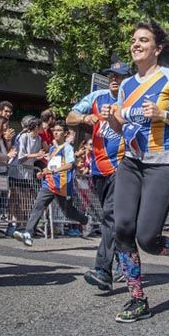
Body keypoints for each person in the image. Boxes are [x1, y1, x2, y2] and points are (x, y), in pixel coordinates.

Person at [102, 21, 169, 323]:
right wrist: (112, 119)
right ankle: (137, 298)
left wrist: (162, 114)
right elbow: (121, 126)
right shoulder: (126, 85)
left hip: (164, 160)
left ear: (157, 49)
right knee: (123, 228)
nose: (136, 44)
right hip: (131, 160)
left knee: (147, 237)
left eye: (143, 40)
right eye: (133, 40)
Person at [68, 63, 129, 290]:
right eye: (112, 75)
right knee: (116, 221)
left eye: (120, 76)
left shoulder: (131, 97)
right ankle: (126, 262)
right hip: (97, 169)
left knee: (109, 218)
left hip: (122, 166)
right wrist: (85, 119)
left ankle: (103, 270)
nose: (115, 79)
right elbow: (70, 117)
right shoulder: (96, 97)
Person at [12, 121, 88, 243]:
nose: (56, 133)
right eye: (54, 130)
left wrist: (54, 171)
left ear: (65, 133)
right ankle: (28, 233)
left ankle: (85, 220)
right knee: (38, 206)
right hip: (49, 184)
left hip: (62, 185)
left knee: (69, 212)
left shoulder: (67, 148)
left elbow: (70, 164)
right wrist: (43, 172)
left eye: (59, 130)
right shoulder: (52, 148)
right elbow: (51, 166)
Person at [7, 115, 46, 239]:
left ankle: (22, 224)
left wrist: (42, 156)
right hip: (16, 170)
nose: (42, 129)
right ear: (35, 127)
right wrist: (37, 155)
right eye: (40, 126)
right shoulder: (23, 136)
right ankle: (12, 225)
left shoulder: (39, 139)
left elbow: (35, 156)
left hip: (28, 172)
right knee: (14, 197)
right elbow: (21, 156)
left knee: (26, 199)